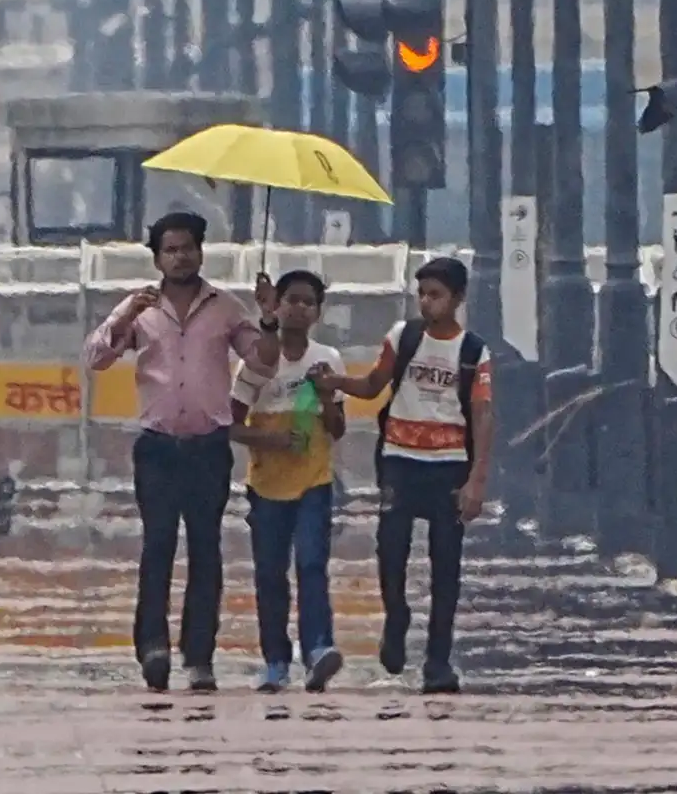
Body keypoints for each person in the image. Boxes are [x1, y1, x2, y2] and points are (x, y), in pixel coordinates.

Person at [82, 211, 280, 693]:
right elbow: (96, 357)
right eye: (170, 249)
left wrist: (269, 318)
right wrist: (124, 317)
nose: (180, 256)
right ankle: (152, 648)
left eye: (188, 247)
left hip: (209, 448)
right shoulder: (140, 308)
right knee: (157, 548)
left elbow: (264, 363)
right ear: (156, 257)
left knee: (206, 551)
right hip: (157, 448)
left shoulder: (227, 308)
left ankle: (199, 656)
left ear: (201, 251)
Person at [310, 256, 491, 693]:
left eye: (437, 295)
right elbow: (374, 385)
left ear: (458, 299)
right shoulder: (404, 338)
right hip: (398, 459)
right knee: (391, 548)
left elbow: (483, 415)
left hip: (448, 464)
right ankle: (397, 617)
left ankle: (438, 661)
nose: (427, 303)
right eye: (422, 294)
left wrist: (477, 479)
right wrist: (335, 382)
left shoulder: (473, 353)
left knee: (446, 564)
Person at [230, 270, 347, 693]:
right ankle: (276, 661)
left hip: (314, 480)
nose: (298, 308)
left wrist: (327, 394)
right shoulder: (256, 363)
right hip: (266, 486)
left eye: (307, 302)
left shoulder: (328, 359)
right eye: (291, 300)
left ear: (318, 312)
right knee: (270, 573)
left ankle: (318, 649)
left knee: (312, 564)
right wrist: (273, 439)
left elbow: (337, 429)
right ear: (274, 305)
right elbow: (229, 425)